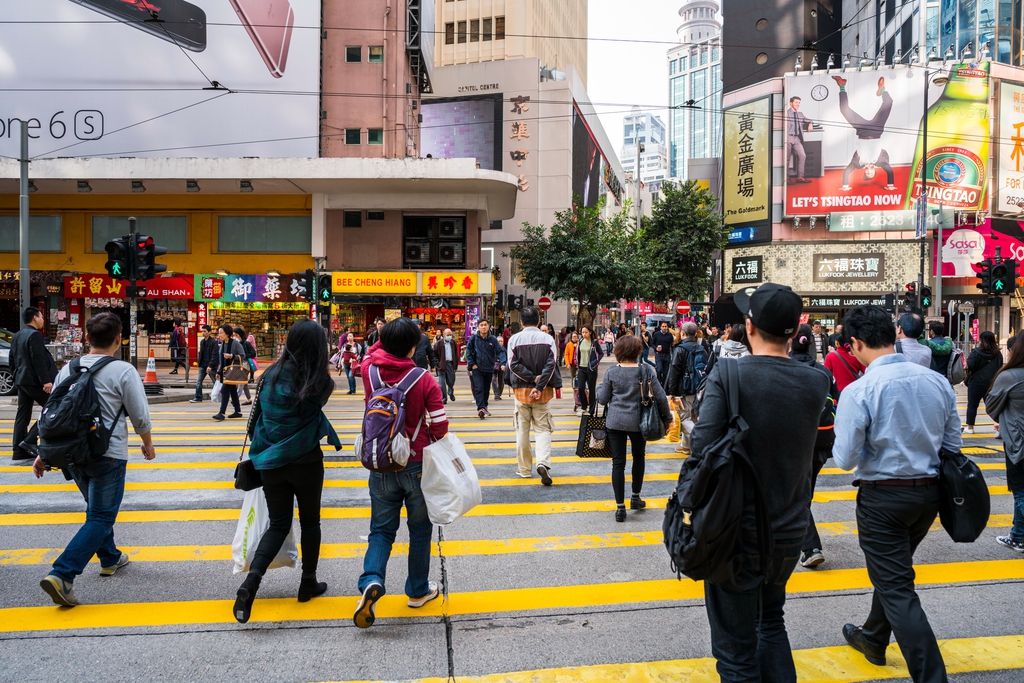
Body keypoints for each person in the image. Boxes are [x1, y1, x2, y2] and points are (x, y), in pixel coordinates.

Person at [691, 283, 829, 682]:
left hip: (735, 532)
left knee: (735, 653)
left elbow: (702, 446)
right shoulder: (815, 380)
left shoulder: (729, 374)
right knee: (771, 623)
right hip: (789, 529)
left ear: (749, 326)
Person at [832, 305, 960, 683]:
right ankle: (873, 637)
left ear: (855, 343)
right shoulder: (936, 381)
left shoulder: (861, 389)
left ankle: (931, 676)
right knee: (894, 573)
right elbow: (951, 443)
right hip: (929, 496)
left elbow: (844, 459)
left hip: (882, 499)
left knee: (897, 585)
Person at [34, 312, 155, 607]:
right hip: (107, 454)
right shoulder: (123, 371)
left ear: (87, 338)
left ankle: (110, 557)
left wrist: (42, 451)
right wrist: (147, 443)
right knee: (101, 516)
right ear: (119, 338)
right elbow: (139, 415)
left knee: (96, 509)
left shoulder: (68, 369)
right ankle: (63, 573)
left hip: (73, 455)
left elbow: (53, 414)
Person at [232, 319, 342, 623]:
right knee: (310, 522)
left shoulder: (268, 376)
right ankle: (308, 583)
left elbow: (257, 421)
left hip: (270, 463)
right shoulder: (322, 383)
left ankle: (251, 581)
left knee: (278, 525)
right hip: (306, 461)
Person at [354, 317, 449, 628]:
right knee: (420, 530)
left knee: (381, 530)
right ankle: (418, 591)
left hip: (380, 462)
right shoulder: (423, 379)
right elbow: (440, 426)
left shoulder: (369, 370)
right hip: (416, 463)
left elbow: (375, 350)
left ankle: (371, 581)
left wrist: (385, 335)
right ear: (413, 346)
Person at [597, 335, 671, 521]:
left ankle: (620, 508)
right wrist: (668, 418)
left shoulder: (612, 372)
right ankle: (635, 497)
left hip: (615, 422)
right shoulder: (646, 370)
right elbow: (661, 397)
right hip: (640, 422)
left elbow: (602, 399)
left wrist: (599, 389)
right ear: (638, 351)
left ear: (618, 351)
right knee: (639, 456)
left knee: (618, 463)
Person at [788, 324, 840, 568]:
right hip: (820, 443)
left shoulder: (783, 368)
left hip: (793, 444)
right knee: (803, 494)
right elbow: (836, 400)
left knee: (798, 496)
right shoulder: (823, 372)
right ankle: (803, 540)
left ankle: (810, 547)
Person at [506, 306, 562, 485]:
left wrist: (530, 378)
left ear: (521, 322)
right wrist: (538, 384)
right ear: (539, 321)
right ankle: (543, 463)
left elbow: (512, 365)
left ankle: (524, 470)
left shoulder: (514, 339)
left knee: (522, 430)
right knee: (542, 429)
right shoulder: (548, 339)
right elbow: (551, 364)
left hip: (521, 393)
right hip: (543, 392)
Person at [984, 339, 1024, 553]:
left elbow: (991, 406)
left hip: (1019, 443)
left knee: (1020, 491)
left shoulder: (1009, 376)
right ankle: (1018, 536)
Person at [830, 75, 897, 191]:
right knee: (889, 102)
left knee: (844, 109)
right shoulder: (880, 161)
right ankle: (882, 90)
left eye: (868, 173)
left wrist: (845, 186)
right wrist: (890, 185)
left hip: (862, 131)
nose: (869, 171)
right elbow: (890, 171)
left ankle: (842, 85)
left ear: (864, 172)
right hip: (876, 130)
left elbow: (846, 172)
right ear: (874, 171)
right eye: (872, 173)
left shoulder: (857, 164)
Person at [9, 306, 57, 464]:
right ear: (35, 318)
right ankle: (29, 440)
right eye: (41, 316)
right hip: (34, 381)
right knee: (53, 407)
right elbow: (38, 359)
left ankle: (18, 450)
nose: (43, 319)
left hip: (21, 380)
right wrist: (45, 381)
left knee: (22, 414)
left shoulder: (17, 335)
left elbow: (12, 359)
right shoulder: (34, 335)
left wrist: (16, 376)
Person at [665, 322, 707, 456]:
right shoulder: (701, 348)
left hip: (684, 389)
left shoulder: (680, 349)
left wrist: (671, 392)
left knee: (684, 418)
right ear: (695, 333)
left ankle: (701, 444)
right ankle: (686, 446)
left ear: (682, 333)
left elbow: (674, 371)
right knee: (693, 417)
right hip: (699, 388)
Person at [465, 319, 506, 419]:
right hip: (477, 368)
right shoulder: (474, 339)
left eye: (485, 325)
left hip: (489, 368)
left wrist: (503, 363)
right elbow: (468, 351)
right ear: (478, 327)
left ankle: (485, 406)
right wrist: (472, 363)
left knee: (486, 389)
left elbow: (500, 351)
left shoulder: (492, 340)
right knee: (479, 388)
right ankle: (481, 408)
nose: (483, 327)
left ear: (488, 326)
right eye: (481, 325)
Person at [964, 331, 1002, 434]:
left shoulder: (975, 352)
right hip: (991, 383)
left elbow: (969, 365)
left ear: (981, 340)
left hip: (975, 383)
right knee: (992, 406)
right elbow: (1000, 367)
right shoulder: (998, 354)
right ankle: (998, 426)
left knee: (972, 405)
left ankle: (970, 427)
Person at [213, 324, 246, 421]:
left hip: (232, 372)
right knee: (233, 391)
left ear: (227, 333)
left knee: (225, 390)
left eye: (221, 333)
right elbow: (221, 360)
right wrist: (218, 372)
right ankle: (238, 411)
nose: (219, 335)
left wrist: (231, 356)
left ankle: (222, 413)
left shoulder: (235, 343)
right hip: (225, 372)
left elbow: (242, 355)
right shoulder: (222, 344)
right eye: (219, 333)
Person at [825, 327, 866, 393]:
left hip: (837, 390)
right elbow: (866, 371)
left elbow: (827, 374)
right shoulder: (856, 355)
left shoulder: (830, 356)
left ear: (837, 343)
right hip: (854, 389)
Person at [574, 325, 603, 415]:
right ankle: (583, 407)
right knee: (581, 387)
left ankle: (592, 410)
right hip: (581, 368)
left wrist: (595, 362)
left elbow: (601, 354)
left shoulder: (594, 342)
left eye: (586, 332)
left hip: (591, 369)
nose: (584, 334)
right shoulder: (580, 341)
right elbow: (577, 354)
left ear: (590, 332)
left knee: (591, 389)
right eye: (582, 332)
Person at [786, 96, 814, 184]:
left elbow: (809, 120)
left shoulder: (800, 114)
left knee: (802, 156)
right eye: (796, 102)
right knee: (787, 158)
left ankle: (800, 177)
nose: (798, 104)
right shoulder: (786, 113)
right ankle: (786, 178)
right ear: (791, 103)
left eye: (799, 103)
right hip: (788, 137)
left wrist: (810, 123)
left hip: (797, 138)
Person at [189, 325, 219, 403]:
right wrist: (199, 362)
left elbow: (214, 355)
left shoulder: (213, 342)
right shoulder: (202, 342)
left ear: (209, 332)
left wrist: (211, 365)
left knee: (216, 382)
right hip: (203, 365)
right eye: (202, 331)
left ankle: (219, 396)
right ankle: (198, 397)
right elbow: (201, 353)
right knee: (198, 381)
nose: (203, 333)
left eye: (205, 331)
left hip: (211, 366)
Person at [433, 328, 459, 404]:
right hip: (442, 366)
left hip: (450, 364)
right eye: (448, 335)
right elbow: (434, 355)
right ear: (444, 335)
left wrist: (455, 366)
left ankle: (450, 391)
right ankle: (443, 398)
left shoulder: (453, 343)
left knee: (451, 381)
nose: (449, 336)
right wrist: (438, 364)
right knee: (441, 383)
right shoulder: (438, 344)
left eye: (450, 335)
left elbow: (455, 355)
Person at [234, 327, 255, 405]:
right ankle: (249, 399)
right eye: (234, 335)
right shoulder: (236, 343)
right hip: (239, 364)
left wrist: (244, 356)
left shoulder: (246, 343)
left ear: (240, 335)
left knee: (241, 381)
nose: (235, 337)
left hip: (245, 364)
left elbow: (253, 353)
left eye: (236, 335)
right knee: (244, 383)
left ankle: (236, 398)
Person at [651, 321, 675, 385]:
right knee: (659, 370)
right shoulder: (656, 334)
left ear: (667, 327)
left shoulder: (669, 335)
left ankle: (664, 386)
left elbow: (672, 345)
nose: (664, 328)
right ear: (660, 327)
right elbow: (652, 343)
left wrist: (673, 354)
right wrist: (656, 348)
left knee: (666, 372)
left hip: (667, 355)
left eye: (665, 326)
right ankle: (658, 382)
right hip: (659, 355)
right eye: (663, 326)